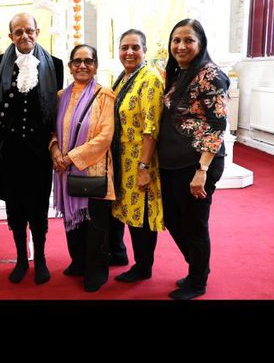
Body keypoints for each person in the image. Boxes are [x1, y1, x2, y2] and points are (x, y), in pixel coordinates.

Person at [0, 12, 64, 284]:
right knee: (15, 209)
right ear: (11, 36)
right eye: (18, 32)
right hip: (9, 153)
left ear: (37, 32)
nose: (24, 36)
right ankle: (21, 258)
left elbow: (57, 111)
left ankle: (40, 258)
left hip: (39, 153)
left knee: (38, 207)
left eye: (29, 30)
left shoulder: (55, 65)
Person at [158, 18, 229, 300]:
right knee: (174, 219)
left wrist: (202, 169)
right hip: (172, 163)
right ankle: (197, 267)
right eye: (177, 40)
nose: (181, 45)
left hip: (198, 164)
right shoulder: (177, 73)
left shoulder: (211, 75)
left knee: (194, 222)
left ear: (200, 43)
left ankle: (198, 280)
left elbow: (217, 124)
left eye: (188, 40)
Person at [50, 45, 115, 292]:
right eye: (77, 61)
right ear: (70, 66)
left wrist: (70, 158)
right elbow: (53, 130)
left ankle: (96, 270)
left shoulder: (104, 95)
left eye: (88, 61)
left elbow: (104, 136)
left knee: (95, 223)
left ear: (95, 65)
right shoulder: (61, 96)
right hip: (65, 172)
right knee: (73, 220)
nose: (82, 65)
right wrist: (55, 150)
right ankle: (78, 262)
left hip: (93, 170)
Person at [110, 29, 165, 283]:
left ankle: (144, 267)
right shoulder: (124, 77)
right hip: (122, 159)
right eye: (124, 47)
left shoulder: (150, 78)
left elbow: (151, 128)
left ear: (145, 50)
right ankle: (120, 254)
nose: (129, 52)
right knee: (126, 210)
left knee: (141, 215)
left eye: (135, 47)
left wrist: (143, 167)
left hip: (140, 159)